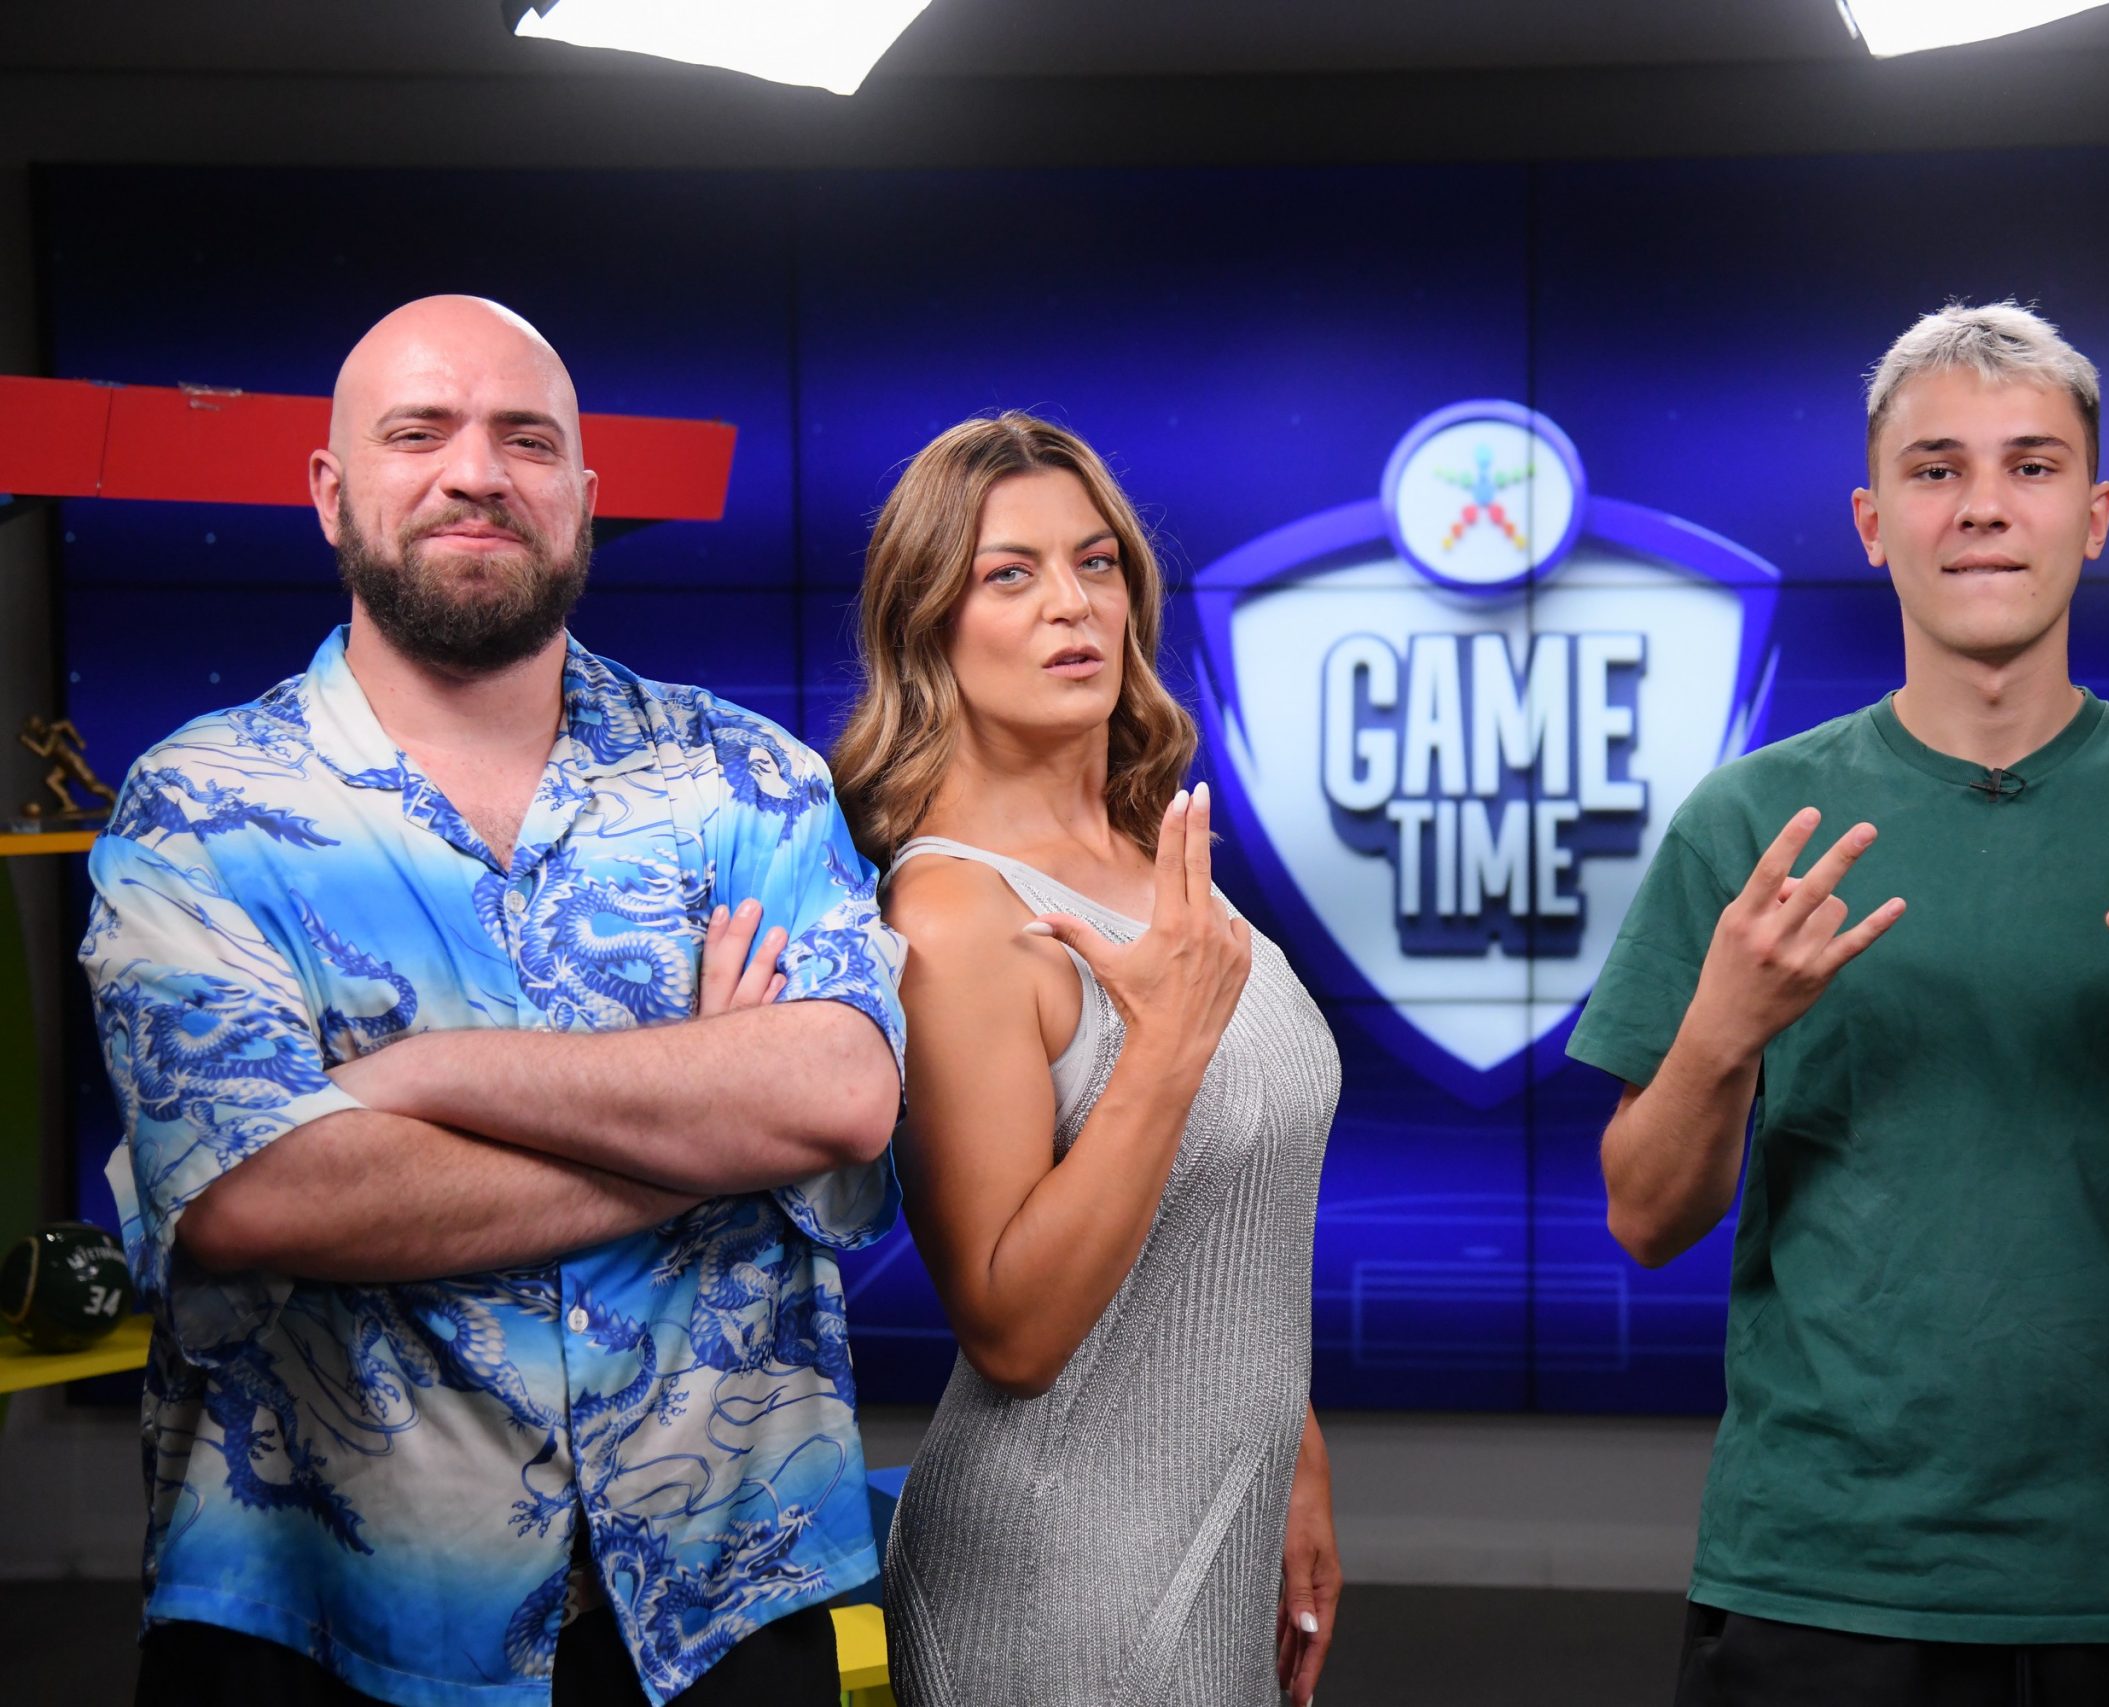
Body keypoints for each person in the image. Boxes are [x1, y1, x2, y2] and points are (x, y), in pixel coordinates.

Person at [1570, 302, 2109, 1707]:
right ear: (1871, 523)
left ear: (2095, 517)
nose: (1983, 507)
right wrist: (1723, 1032)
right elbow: (1646, 1219)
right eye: (1936, 469)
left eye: (2032, 467)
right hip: (1826, 1584)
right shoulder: (1748, 827)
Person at [83, 295, 907, 1706]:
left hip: (723, 1612)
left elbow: (838, 1091)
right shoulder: (199, 807)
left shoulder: (746, 776)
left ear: (582, 495)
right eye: (420, 434)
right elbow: (263, 1195)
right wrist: (712, 1119)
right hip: (323, 1621)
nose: (477, 472)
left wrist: (428, 1076)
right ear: (330, 493)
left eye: (526, 439)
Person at [831, 412, 1342, 1707]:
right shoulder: (953, 916)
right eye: (1010, 574)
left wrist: (1293, 1454)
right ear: (927, 625)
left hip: (1218, 1535)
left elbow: (1227, 1212)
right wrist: (1163, 1051)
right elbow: (1013, 1330)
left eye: (1096, 562)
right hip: (1058, 1583)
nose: (1073, 604)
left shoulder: (1148, 850)